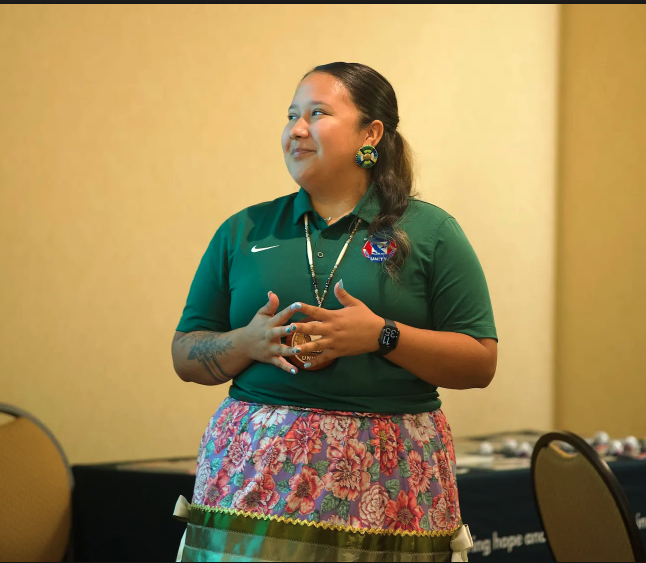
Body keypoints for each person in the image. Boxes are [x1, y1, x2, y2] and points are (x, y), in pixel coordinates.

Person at [170, 62, 497, 562]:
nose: (296, 130)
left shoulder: (431, 232)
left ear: (371, 133)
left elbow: (480, 362)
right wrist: (246, 343)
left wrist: (382, 336)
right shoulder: (245, 230)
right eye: (291, 116)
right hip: (254, 480)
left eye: (317, 113)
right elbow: (185, 353)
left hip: (389, 481)